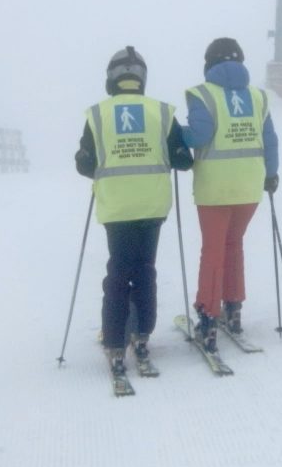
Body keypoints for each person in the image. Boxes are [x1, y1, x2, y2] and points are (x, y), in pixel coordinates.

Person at [75, 46, 193, 379]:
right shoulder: (161, 112)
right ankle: (141, 337)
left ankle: (115, 341)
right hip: (152, 206)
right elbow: (183, 159)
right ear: (141, 78)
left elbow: (84, 163)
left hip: (116, 207)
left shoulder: (98, 115)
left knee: (117, 272)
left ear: (112, 78)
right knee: (145, 270)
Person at [181, 37, 279, 350]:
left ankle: (208, 319)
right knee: (233, 245)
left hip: (215, 188)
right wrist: (271, 174)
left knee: (212, 250)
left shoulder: (203, 94)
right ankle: (233, 312)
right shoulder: (257, 96)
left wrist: (174, 134)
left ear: (209, 64)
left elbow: (199, 134)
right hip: (250, 187)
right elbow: (270, 140)